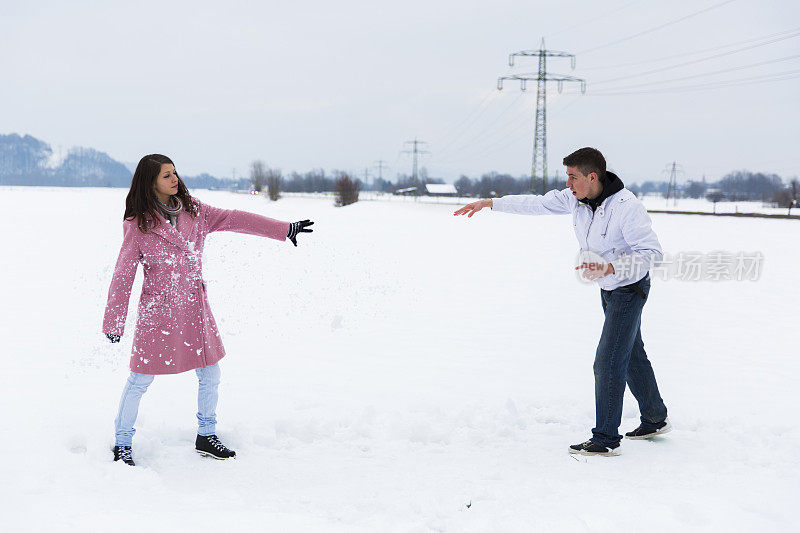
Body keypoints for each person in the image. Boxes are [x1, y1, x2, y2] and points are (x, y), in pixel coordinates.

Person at [453, 147, 669, 456]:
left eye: (572, 178)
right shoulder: (576, 199)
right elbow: (536, 204)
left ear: (592, 177)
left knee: (608, 361)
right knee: (630, 354)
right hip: (608, 287)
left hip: (629, 288)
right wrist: (490, 203)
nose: (567, 184)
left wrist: (610, 267)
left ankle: (606, 439)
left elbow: (651, 255)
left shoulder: (626, 207)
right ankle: (655, 417)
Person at [103, 154, 314, 466]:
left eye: (174, 172)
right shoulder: (139, 225)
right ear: (150, 183)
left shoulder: (194, 210)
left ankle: (206, 435)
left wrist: (283, 229)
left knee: (210, 373)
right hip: (158, 315)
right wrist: (114, 321)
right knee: (140, 380)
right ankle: (122, 443)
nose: (174, 179)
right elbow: (123, 274)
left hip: (193, 309)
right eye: (165, 176)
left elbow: (235, 218)